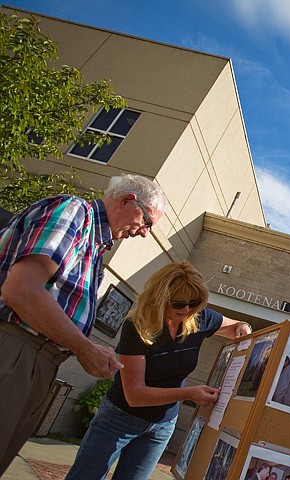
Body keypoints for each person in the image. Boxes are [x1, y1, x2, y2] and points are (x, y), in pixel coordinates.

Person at [0, 174, 166, 475]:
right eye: (147, 222)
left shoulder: (95, 245)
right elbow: (21, 290)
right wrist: (83, 347)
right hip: (15, 350)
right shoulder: (74, 212)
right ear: (128, 200)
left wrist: (83, 347)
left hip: (38, 360)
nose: (144, 233)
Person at [66, 261, 252, 479]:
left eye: (194, 303)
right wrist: (189, 394)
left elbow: (235, 326)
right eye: (178, 304)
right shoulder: (136, 327)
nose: (187, 310)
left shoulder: (199, 318)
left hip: (162, 427)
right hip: (119, 418)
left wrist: (243, 328)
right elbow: (135, 395)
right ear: (160, 299)